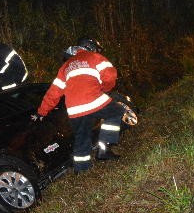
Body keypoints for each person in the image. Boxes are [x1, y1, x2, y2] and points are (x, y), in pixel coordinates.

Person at [36, 37, 126, 173]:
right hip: (94, 100)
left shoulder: (65, 67)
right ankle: (104, 149)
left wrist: (41, 112)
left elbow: (53, 92)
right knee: (116, 112)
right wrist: (105, 89)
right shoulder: (95, 57)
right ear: (91, 47)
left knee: (82, 136)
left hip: (74, 109)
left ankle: (81, 168)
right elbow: (110, 75)